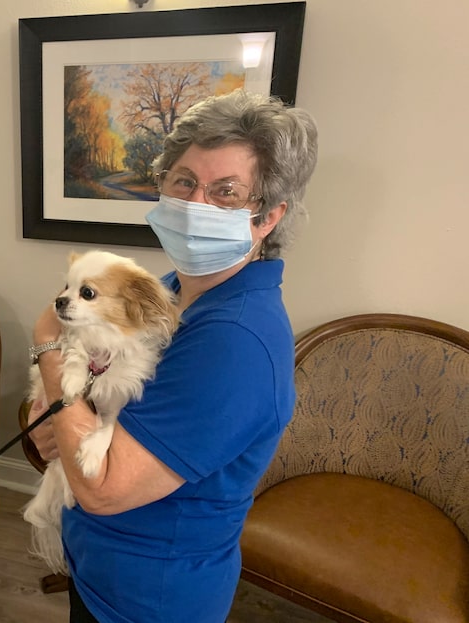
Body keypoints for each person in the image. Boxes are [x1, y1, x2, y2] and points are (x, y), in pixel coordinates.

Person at [27, 89, 318, 622]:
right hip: (100, 568)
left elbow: (104, 488)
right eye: (183, 181)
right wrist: (55, 413)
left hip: (146, 596)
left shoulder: (235, 341)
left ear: (268, 217)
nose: (194, 204)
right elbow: (54, 424)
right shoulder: (168, 294)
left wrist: (48, 346)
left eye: (226, 192)